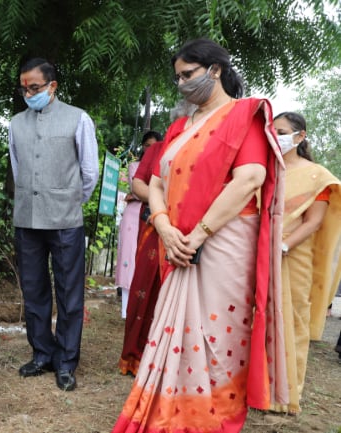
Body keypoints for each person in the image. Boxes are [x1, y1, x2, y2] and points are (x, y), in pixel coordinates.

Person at [112, 38, 287, 432]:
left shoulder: (245, 115)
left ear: (216, 70)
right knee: (177, 332)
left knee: (216, 337)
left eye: (188, 75)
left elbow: (250, 178)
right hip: (176, 242)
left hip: (224, 242)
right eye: (177, 78)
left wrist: (200, 232)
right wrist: (164, 226)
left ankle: (212, 418)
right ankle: (172, 413)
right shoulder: (178, 127)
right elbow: (155, 183)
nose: (182, 85)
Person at [8, 58, 99, 391]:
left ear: (52, 86)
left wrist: (69, 200)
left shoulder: (78, 118)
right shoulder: (16, 123)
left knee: (69, 294)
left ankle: (66, 361)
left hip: (65, 220)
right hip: (27, 220)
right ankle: (42, 354)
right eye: (24, 88)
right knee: (33, 291)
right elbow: (18, 169)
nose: (28, 93)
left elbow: (89, 173)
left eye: (34, 87)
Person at [271, 112, 341, 413]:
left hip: (294, 256)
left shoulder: (317, 176)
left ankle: (286, 396)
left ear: (300, 137)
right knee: (261, 318)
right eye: (272, 131)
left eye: (282, 131)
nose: (276, 135)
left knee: (292, 322)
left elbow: (314, 222)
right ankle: (258, 388)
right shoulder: (267, 170)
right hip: (262, 254)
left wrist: (284, 245)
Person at [117, 132, 164, 376]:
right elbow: (137, 185)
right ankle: (137, 356)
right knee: (144, 283)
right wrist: (166, 203)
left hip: (195, 229)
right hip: (154, 223)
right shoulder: (157, 154)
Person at [114, 131, 162, 319]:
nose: (151, 149)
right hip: (135, 216)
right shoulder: (135, 166)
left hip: (156, 216)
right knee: (129, 259)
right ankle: (127, 309)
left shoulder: (164, 166)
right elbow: (138, 189)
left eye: (155, 146)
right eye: (147, 145)